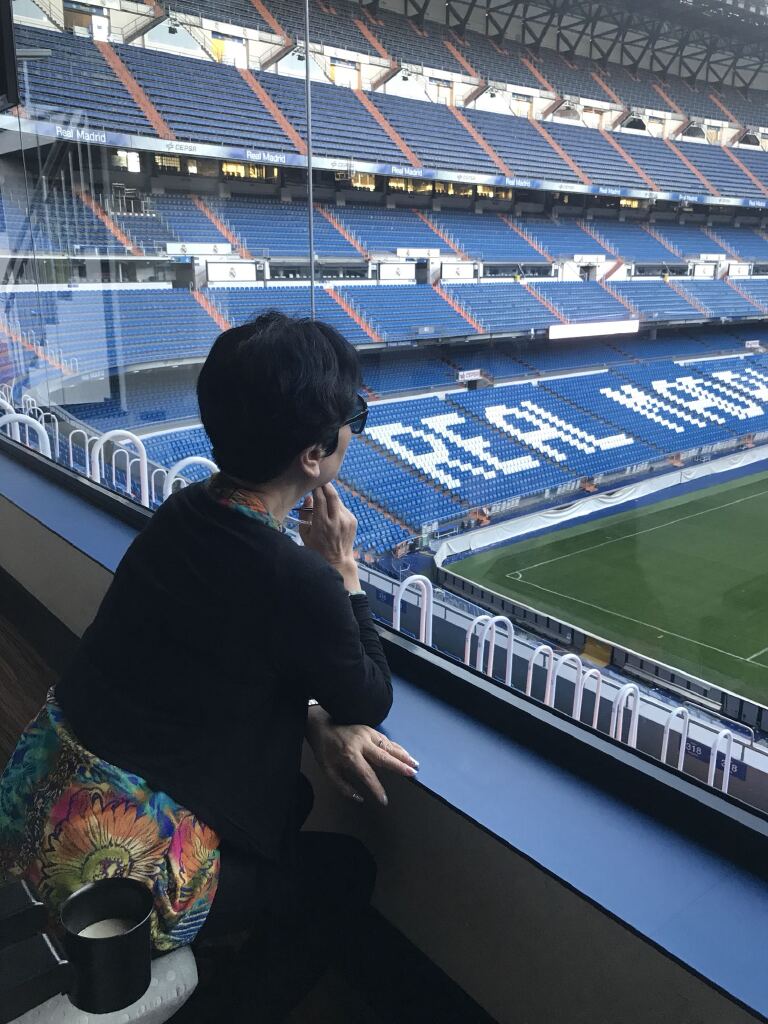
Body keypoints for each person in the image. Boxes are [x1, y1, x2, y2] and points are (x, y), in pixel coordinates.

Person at [0, 311, 418, 1022]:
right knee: (345, 874)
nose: (355, 428)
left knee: (290, 803)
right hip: (104, 879)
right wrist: (343, 572)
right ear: (313, 456)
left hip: (32, 806)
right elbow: (368, 696)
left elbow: (226, 659)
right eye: (354, 417)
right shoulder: (301, 579)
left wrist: (311, 717)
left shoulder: (182, 513)